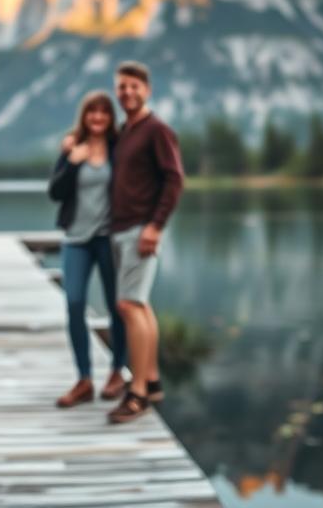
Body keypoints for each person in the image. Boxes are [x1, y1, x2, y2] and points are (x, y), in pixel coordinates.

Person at [106, 60, 184, 424]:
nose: (127, 92)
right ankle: (151, 380)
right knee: (139, 304)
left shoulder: (157, 130)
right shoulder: (125, 131)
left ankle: (136, 393)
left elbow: (174, 180)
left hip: (141, 229)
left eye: (134, 86)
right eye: (122, 87)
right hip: (122, 227)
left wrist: (155, 226)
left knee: (127, 305)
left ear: (147, 90)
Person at [48, 91, 127, 408]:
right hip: (76, 240)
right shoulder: (72, 148)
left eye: (104, 112)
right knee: (74, 302)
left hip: (108, 239)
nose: (97, 118)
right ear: (84, 116)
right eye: (92, 112)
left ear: (110, 118)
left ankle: (117, 373)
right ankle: (83, 379)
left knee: (116, 305)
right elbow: (55, 192)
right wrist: (70, 162)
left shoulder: (117, 149)